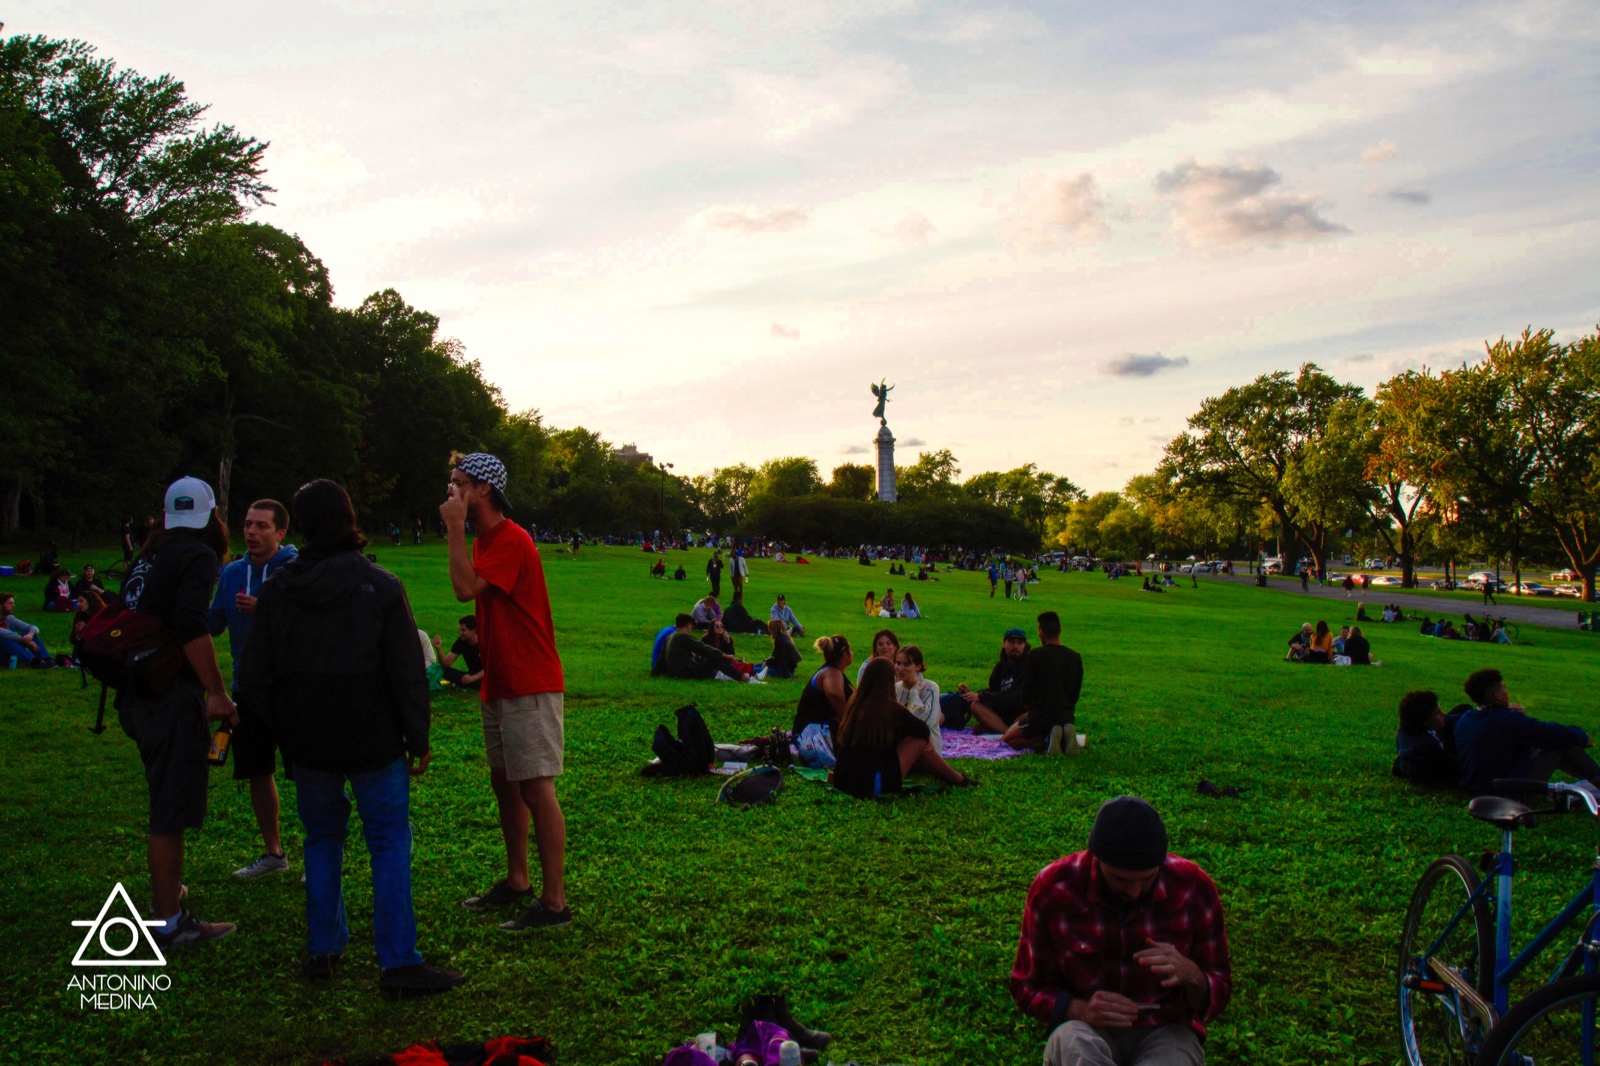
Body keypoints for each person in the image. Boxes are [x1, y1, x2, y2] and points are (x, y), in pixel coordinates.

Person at [236, 480, 463, 992]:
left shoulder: (279, 590)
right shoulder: (379, 586)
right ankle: (399, 960)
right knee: (387, 843)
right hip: (373, 739)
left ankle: (324, 948)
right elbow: (407, 671)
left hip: (309, 740)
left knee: (321, 840)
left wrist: (284, 727)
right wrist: (417, 737)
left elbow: (255, 675)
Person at [443, 453, 571, 933]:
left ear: (484, 490)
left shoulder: (511, 539)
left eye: (459, 484)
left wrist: (454, 528)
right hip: (500, 678)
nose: (451, 492)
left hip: (529, 679)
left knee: (536, 786)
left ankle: (555, 904)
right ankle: (518, 880)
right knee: (505, 783)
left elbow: (462, 590)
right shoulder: (487, 540)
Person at [1011, 797, 1231, 1066]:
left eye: (1148, 879)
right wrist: (1079, 1009)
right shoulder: (1054, 889)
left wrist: (1191, 974)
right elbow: (1025, 986)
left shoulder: (1193, 888)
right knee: (1074, 1045)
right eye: (1121, 880)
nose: (1135, 891)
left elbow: (1220, 986)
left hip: (1166, 1030)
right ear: (1096, 860)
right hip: (1085, 1028)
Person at [118, 476, 237, 948]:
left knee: (163, 794)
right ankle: (168, 921)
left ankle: (168, 892)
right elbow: (192, 626)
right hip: (167, 695)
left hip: (136, 692)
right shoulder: (198, 556)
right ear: (211, 515)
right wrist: (217, 692)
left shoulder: (148, 556)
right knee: (170, 808)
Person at [207, 498, 299, 882]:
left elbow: (309, 625)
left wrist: (264, 608)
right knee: (258, 771)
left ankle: (322, 851)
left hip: (294, 689)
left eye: (262, 526)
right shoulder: (231, 574)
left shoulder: (295, 570)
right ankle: (273, 853)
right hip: (248, 690)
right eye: (247, 524)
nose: (251, 532)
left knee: (309, 773)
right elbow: (212, 625)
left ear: (280, 534)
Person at [831, 658, 972, 798]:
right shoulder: (890, 708)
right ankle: (958, 779)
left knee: (914, 739)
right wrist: (915, 693)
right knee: (919, 740)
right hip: (871, 784)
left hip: (843, 781)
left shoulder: (855, 704)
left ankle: (948, 776)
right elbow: (922, 729)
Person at [1454, 668, 1600, 796]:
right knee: (1562, 744)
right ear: (1497, 696)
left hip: (1478, 786)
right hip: (1507, 790)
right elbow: (1549, 733)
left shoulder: (1466, 719)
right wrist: (1582, 736)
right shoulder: (1507, 721)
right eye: (1504, 688)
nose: (1507, 692)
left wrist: (1502, 712)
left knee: (1538, 744)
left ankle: (1591, 781)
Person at [1003, 612, 1084, 754]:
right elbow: (1074, 695)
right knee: (1055, 721)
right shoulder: (1075, 657)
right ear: (1060, 630)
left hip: (1040, 717)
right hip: (1066, 716)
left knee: (1007, 741)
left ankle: (1047, 738)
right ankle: (1062, 735)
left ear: (1041, 631)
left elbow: (1026, 694)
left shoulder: (1034, 656)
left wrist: (1032, 712)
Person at [792, 635, 854, 766]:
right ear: (845, 654)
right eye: (850, 649)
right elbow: (835, 694)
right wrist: (846, 723)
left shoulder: (832, 671)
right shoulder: (831, 673)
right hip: (813, 737)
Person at [955, 628, 1030, 734]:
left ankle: (1005, 733)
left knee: (1033, 714)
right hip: (1001, 714)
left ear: (1025, 646)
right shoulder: (1000, 668)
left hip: (1021, 714)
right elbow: (994, 690)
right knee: (975, 705)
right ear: (1004, 644)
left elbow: (1018, 697)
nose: (1016, 646)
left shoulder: (1029, 666)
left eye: (1020, 643)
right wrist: (974, 694)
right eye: (1012, 642)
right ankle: (1006, 732)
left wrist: (982, 696)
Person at [1392, 690, 1463, 788]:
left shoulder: (1407, 729)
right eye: (1438, 713)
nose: (1443, 714)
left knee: (1463, 709)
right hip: (1441, 757)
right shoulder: (1426, 749)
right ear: (1425, 721)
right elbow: (1457, 770)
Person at [893, 645, 943, 754]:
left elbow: (925, 723)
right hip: (902, 746)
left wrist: (914, 694)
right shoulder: (895, 688)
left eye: (906, 664)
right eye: (898, 663)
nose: (900, 668)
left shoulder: (930, 688)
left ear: (918, 666)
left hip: (927, 747)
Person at [660, 614, 737, 679]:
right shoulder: (684, 636)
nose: (720, 628)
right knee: (716, 660)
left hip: (678, 672)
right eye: (717, 627)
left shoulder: (669, 637)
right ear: (688, 625)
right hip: (686, 672)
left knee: (716, 661)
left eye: (721, 626)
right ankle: (741, 677)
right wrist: (724, 655)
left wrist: (728, 642)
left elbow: (661, 658)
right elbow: (702, 649)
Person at [0, 592, 54, 667]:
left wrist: (30, 635)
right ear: (1, 606)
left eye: (13, 603)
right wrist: (25, 640)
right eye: (10, 603)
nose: (13, 606)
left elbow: (33, 627)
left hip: (12, 650)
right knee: (4, 639)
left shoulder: (10, 619)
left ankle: (47, 659)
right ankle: (34, 662)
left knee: (28, 633)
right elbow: (4, 633)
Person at [435, 616, 485, 689]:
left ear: (473, 631)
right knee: (442, 669)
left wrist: (474, 677)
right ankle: (465, 683)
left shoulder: (485, 644)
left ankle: (463, 683)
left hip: (486, 677)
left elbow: (490, 668)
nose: (460, 633)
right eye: (460, 630)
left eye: (463, 630)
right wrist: (439, 649)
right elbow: (446, 663)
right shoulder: (461, 642)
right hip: (471, 675)